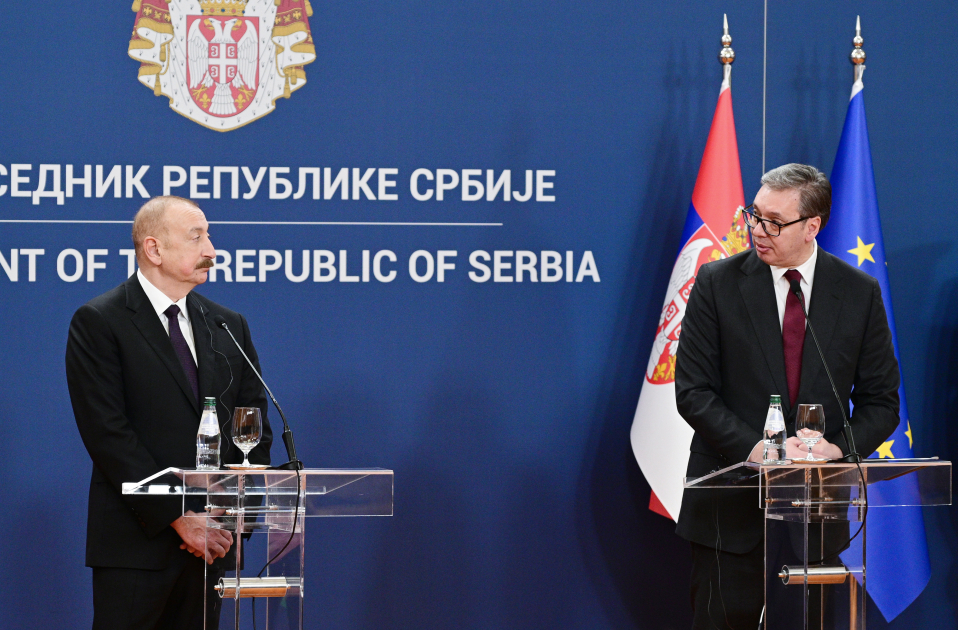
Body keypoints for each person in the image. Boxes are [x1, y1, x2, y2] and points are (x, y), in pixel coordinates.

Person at [674, 164, 900, 629]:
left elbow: (882, 403)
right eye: (754, 215)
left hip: (815, 517)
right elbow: (693, 392)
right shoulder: (716, 283)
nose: (758, 230)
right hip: (728, 511)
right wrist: (759, 450)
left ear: (812, 226)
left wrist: (835, 450)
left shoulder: (858, 293)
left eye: (774, 222)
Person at [66, 196, 272, 630]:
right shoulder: (100, 321)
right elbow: (108, 434)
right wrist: (179, 516)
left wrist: (233, 519)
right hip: (137, 546)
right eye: (196, 237)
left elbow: (253, 428)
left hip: (212, 546)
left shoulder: (228, 324)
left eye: (209, 236)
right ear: (154, 249)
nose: (212, 250)